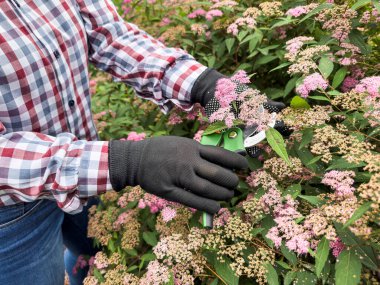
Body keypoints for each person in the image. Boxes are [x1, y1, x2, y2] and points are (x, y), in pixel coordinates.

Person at [0, 0, 285, 284]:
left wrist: (204, 86)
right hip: (13, 218)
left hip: (88, 172)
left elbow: (110, 35)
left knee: (94, 255)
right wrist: (127, 162)